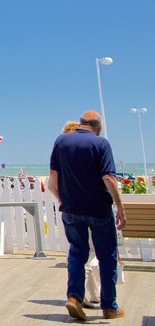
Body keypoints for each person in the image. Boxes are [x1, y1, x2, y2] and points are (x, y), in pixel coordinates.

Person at [48, 110, 126, 320]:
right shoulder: (101, 144)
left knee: (76, 253)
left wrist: (62, 199)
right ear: (98, 127)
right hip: (98, 209)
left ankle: (74, 297)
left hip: (71, 209)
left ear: (81, 124)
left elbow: (52, 176)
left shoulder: (61, 141)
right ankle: (109, 306)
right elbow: (109, 178)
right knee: (107, 255)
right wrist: (119, 206)